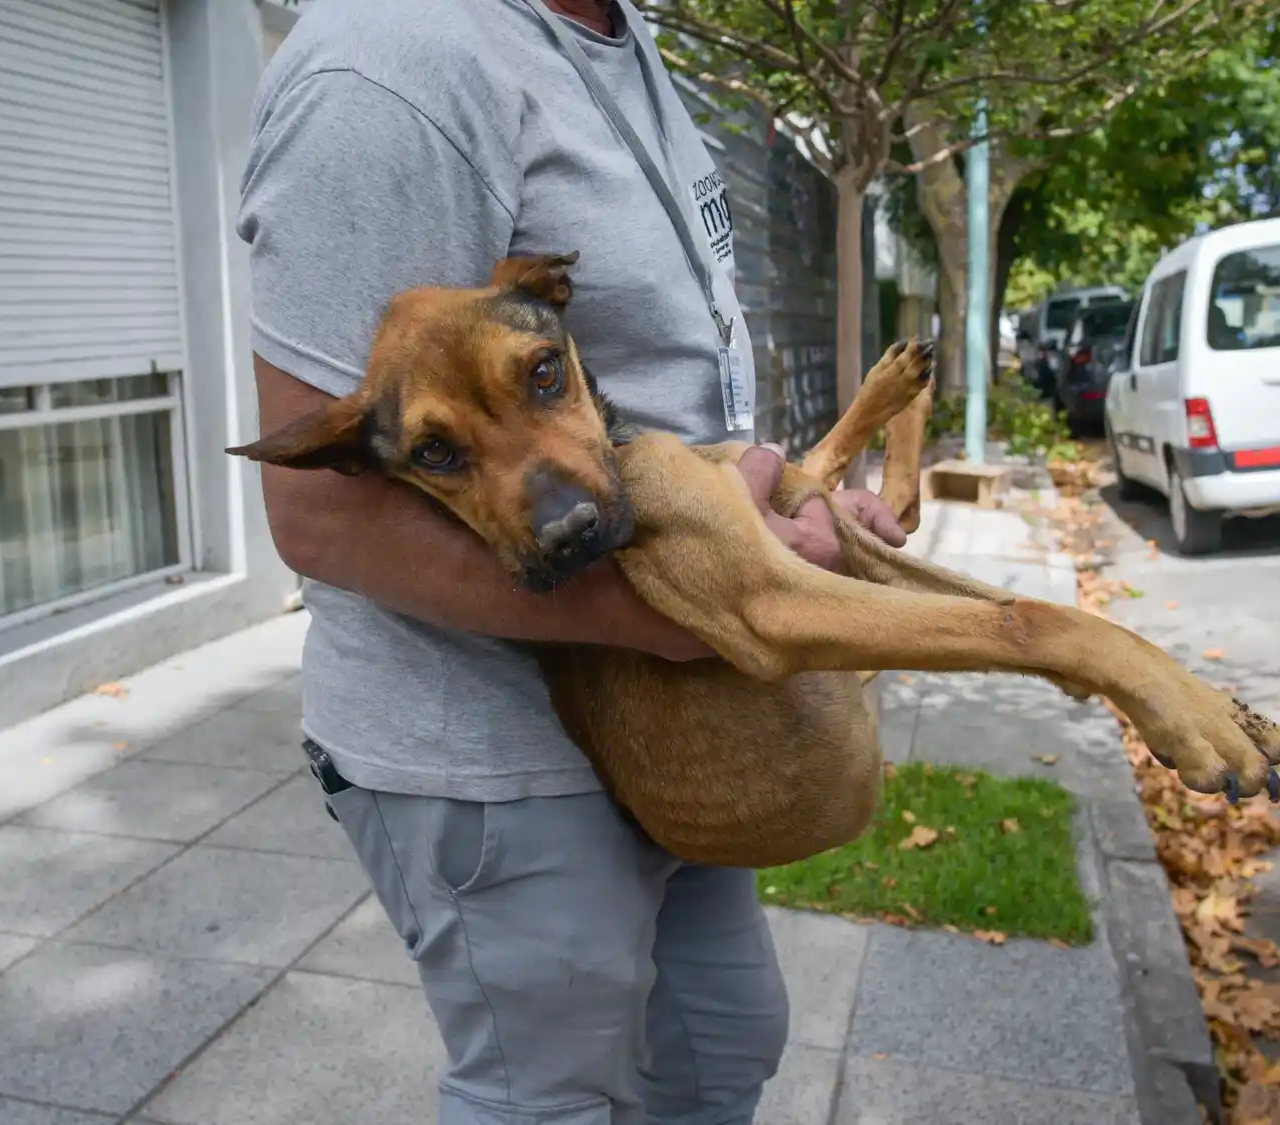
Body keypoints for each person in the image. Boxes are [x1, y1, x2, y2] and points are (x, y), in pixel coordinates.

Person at [237, 1, 905, 1122]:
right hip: (492, 749)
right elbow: (322, 516)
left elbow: (654, 385)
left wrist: (788, 509)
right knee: (547, 1095)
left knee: (719, 1048)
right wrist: (681, 608)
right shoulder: (391, 65)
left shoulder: (617, 38)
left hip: (657, 715)